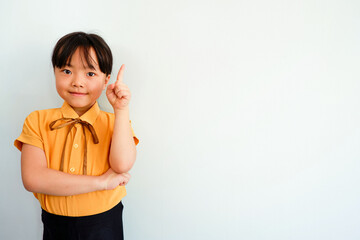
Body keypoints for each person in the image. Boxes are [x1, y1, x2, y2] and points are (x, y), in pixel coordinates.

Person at [14, 31, 139, 240]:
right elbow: (33, 178)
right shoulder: (36, 120)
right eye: (66, 70)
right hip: (55, 223)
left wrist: (121, 110)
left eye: (90, 74)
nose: (77, 82)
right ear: (54, 72)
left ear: (107, 79)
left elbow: (122, 165)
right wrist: (101, 183)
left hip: (105, 222)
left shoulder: (114, 122)